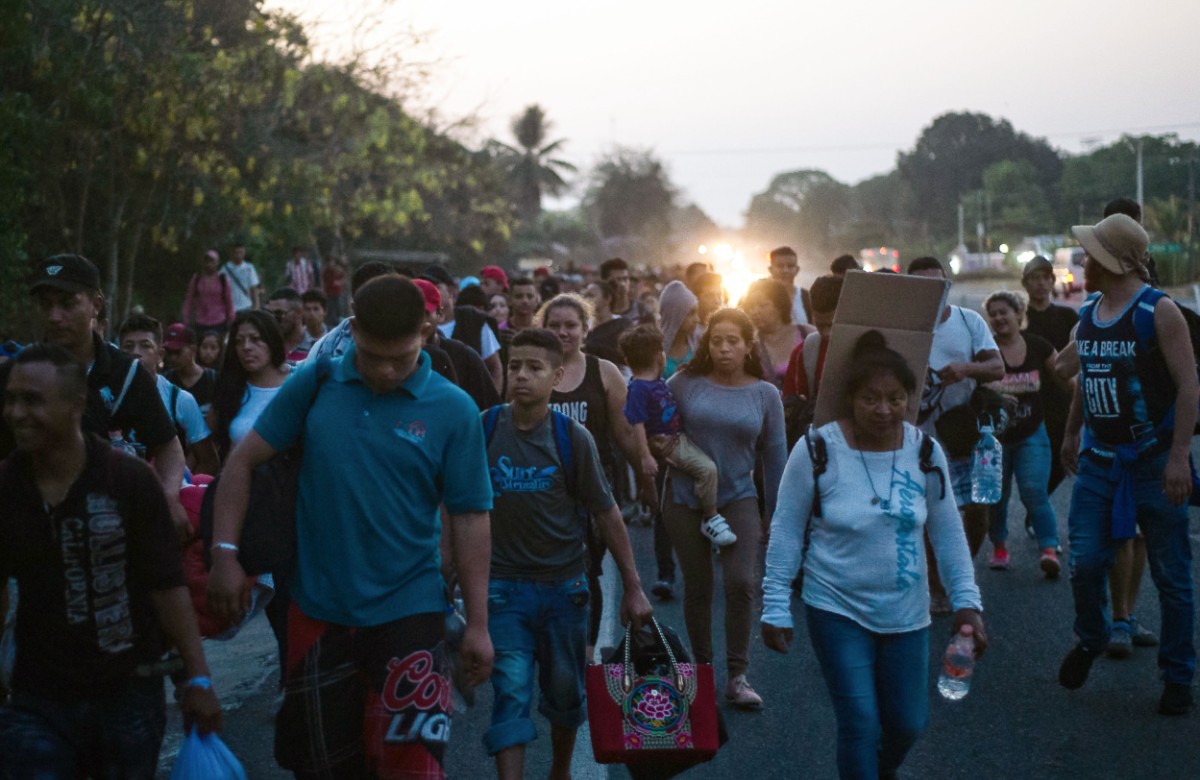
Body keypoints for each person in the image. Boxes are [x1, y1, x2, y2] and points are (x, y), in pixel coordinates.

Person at [208, 275, 494, 777]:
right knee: (321, 765)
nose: (384, 370)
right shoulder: (315, 382)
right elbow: (241, 463)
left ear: (427, 331)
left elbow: (471, 517)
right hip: (317, 613)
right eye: (372, 354)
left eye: (399, 357)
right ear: (354, 329)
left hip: (412, 614)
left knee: (411, 769)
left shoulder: (454, 410)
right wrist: (225, 555)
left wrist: (478, 623)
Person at [762, 330, 986, 780]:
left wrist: (967, 602)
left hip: (907, 612)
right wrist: (775, 604)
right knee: (860, 723)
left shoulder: (924, 451)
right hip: (835, 606)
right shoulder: (817, 450)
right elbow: (786, 528)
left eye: (895, 398)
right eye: (870, 399)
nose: (884, 410)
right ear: (850, 398)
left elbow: (947, 532)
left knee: (907, 723)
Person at [0, 344, 222, 775]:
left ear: (76, 405)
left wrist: (196, 679)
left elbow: (166, 586)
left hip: (128, 694)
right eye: (11, 399)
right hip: (37, 699)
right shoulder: (7, 490)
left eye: (33, 400)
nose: (17, 412)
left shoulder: (128, 481)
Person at [483, 328, 652, 780]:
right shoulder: (484, 429)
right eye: (515, 366)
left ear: (557, 376)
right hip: (502, 590)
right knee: (510, 692)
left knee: (564, 695)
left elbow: (607, 513)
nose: (521, 376)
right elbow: (459, 511)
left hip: (565, 589)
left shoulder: (572, 438)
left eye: (534, 368)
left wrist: (633, 587)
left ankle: (560, 770)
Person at [1057, 213, 1197, 716]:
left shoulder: (1159, 313)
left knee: (1172, 576)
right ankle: (1091, 637)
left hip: (1154, 461)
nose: (1082, 261)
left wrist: (1180, 456)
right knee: (1086, 561)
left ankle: (1178, 676)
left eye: (1090, 253)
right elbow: (1086, 378)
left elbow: (1189, 387)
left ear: (1110, 261)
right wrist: (1072, 431)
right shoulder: (1089, 314)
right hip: (1099, 459)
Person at [0, 254, 189, 540]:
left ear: (96, 305)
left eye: (67, 304)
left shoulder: (126, 374)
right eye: (45, 304)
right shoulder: (17, 373)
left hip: (112, 525)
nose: (54, 316)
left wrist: (168, 499)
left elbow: (168, 447)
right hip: (33, 526)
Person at [664, 308, 787, 709]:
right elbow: (656, 427)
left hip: (738, 497)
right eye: (716, 341)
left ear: (748, 344)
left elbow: (775, 456)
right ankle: (701, 671)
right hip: (685, 498)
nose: (724, 349)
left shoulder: (765, 394)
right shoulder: (684, 383)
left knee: (741, 582)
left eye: (732, 341)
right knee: (698, 586)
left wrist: (776, 512)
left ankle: (737, 675)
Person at [538, 294, 651, 655]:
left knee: (586, 570)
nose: (562, 332)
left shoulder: (604, 371)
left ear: (586, 329)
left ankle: (585, 651)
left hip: (592, 490)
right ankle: (548, 642)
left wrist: (649, 483)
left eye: (570, 325)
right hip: (539, 489)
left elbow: (625, 434)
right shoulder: (532, 368)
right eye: (554, 325)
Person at [908, 256, 1004, 613]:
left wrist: (965, 368)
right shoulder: (904, 327)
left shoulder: (968, 321)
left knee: (978, 510)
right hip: (920, 436)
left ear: (948, 285)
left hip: (966, 432)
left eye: (939, 284)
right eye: (923, 285)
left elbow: (997, 367)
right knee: (933, 513)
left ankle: (961, 568)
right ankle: (937, 586)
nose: (933, 292)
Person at [619, 324, 733, 544]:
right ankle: (710, 518)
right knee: (707, 469)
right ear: (659, 357)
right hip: (667, 443)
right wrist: (645, 456)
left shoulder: (654, 381)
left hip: (677, 437)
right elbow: (637, 424)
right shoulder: (639, 388)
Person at [980, 291, 1063, 577]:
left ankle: (1049, 549)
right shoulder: (985, 350)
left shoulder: (1038, 346)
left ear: (1019, 314)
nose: (998, 318)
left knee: (1033, 490)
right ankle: (999, 547)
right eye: (993, 314)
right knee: (996, 498)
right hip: (994, 437)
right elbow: (972, 388)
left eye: (1004, 311)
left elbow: (1065, 377)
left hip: (1032, 433)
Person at [119, 315, 221, 477]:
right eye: (128, 346)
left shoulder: (180, 400)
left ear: (160, 355)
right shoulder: (107, 395)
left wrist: (183, 488)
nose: (136, 353)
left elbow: (208, 461)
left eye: (145, 346)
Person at [207, 310, 290, 462]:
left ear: (272, 340)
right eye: (239, 341)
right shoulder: (230, 388)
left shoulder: (296, 382)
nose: (246, 347)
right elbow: (207, 443)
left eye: (255, 339)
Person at [413, 279, 501, 411]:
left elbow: (489, 412)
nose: (416, 319)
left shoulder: (464, 357)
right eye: (410, 312)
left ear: (440, 314)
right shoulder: (386, 356)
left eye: (425, 313)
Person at [423, 266, 504, 393]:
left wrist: (490, 405)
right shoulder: (412, 327)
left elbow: (494, 367)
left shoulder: (475, 321)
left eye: (435, 287)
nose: (428, 293)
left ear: (451, 291)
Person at [741, 277, 809, 392]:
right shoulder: (750, 346)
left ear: (779, 305)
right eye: (751, 307)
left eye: (763, 305)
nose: (755, 311)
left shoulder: (806, 333)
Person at [163, 323, 218, 416]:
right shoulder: (165, 381)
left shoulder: (213, 379)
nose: (172, 358)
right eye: (169, 352)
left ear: (193, 349)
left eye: (177, 352)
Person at [182, 249, 235, 338]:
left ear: (217, 263)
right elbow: (189, 299)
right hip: (201, 321)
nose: (209, 264)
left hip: (219, 321)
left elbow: (229, 301)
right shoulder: (197, 278)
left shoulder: (223, 279)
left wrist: (231, 320)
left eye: (212, 261)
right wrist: (185, 319)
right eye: (207, 261)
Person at [582, 278, 633, 368]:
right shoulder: (581, 326)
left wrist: (589, 347)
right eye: (585, 296)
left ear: (607, 298)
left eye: (591, 296)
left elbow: (621, 354)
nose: (586, 300)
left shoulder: (622, 325)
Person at [264, 287, 311, 365]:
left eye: (279, 314)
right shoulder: (265, 346)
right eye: (269, 314)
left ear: (298, 313)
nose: (273, 319)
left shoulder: (316, 348)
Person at [768, 245, 812, 327]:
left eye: (790, 266)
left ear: (797, 270)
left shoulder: (806, 297)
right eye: (780, 266)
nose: (785, 270)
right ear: (770, 269)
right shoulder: (756, 296)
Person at [221, 243, 262, 313]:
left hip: (246, 306)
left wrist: (256, 307)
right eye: (236, 253)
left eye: (240, 252)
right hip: (229, 309)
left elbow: (254, 289)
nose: (238, 255)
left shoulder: (249, 268)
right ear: (231, 253)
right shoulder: (224, 270)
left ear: (244, 253)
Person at [322, 254, 349, 324]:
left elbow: (344, 278)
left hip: (338, 293)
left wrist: (339, 282)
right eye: (328, 262)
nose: (330, 264)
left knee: (340, 309)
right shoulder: (325, 272)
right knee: (330, 310)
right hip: (329, 293)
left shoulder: (338, 270)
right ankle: (331, 323)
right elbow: (323, 282)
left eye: (331, 262)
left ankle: (341, 322)